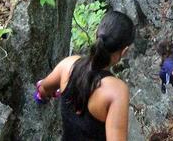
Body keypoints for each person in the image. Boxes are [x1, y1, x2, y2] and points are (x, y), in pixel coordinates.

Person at [36, 10, 135, 141]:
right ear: (124, 51)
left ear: (96, 34)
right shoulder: (116, 91)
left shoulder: (68, 65)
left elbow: (43, 89)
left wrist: (42, 96)